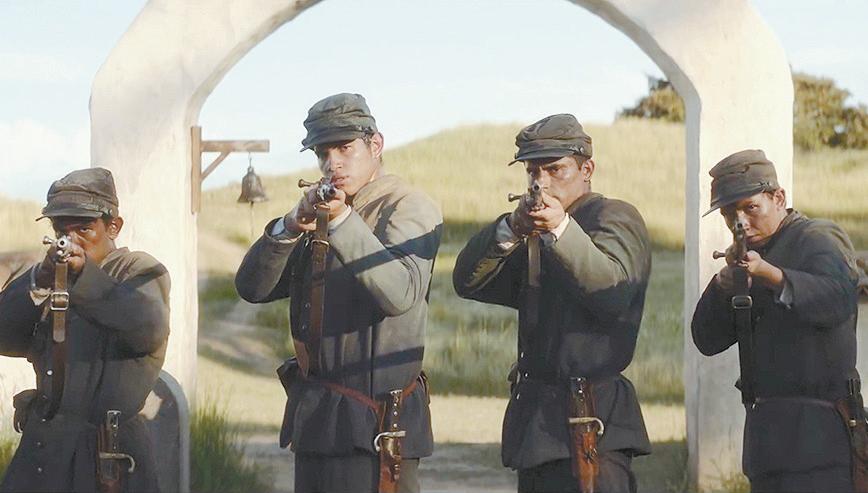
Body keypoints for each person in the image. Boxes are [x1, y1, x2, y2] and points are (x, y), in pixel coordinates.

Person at [235, 93, 442, 493]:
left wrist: (342, 221)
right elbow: (252, 289)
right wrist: (289, 227)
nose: (333, 163)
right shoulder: (321, 214)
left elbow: (399, 294)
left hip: (378, 428)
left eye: (345, 148)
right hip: (320, 421)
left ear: (375, 145)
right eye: (322, 153)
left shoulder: (408, 207)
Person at [452, 114, 652, 492]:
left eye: (555, 169)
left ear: (587, 169)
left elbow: (611, 293)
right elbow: (468, 282)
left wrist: (561, 229)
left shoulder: (613, 216)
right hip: (538, 427)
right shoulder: (532, 233)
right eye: (532, 171)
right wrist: (510, 227)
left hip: (594, 419)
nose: (541, 182)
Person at [691, 149, 862, 493]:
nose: (740, 221)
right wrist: (725, 285)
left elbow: (838, 299)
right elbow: (706, 340)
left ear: (778, 198)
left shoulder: (817, 238)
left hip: (821, 437)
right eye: (729, 213)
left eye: (750, 207)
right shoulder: (748, 258)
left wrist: (771, 275)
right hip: (767, 441)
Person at [0, 167, 170, 492]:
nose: (72, 240)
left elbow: (147, 330)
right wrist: (38, 280)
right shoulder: (49, 276)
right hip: (44, 450)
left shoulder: (139, 271)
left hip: (106, 457)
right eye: (61, 230)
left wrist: (83, 278)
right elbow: (5, 337)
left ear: (113, 226)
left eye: (84, 229)